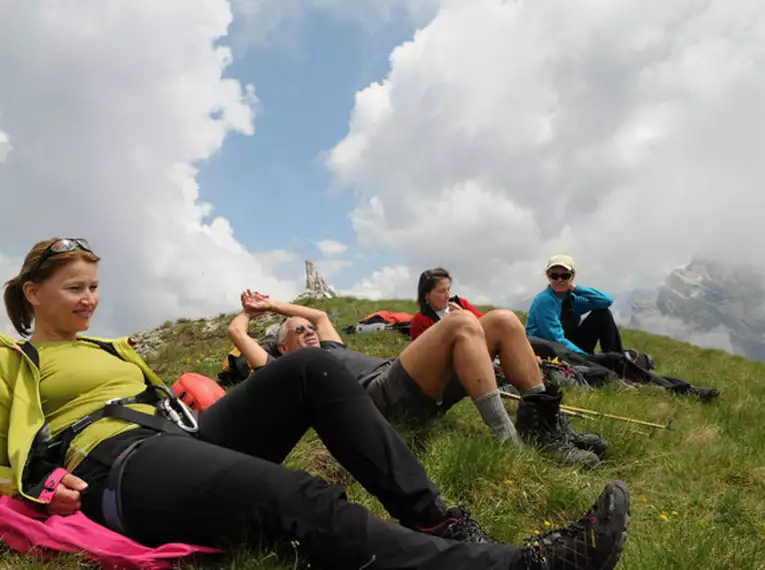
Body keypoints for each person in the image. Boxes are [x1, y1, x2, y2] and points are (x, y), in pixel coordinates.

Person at [0, 237, 632, 570]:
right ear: (31, 293)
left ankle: (436, 518)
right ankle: (511, 568)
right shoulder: (12, 357)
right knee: (298, 495)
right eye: (74, 289)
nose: (89, 299)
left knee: (313, 364)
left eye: (94, 287)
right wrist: (39, 486)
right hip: (119, 462)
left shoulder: (112, 347)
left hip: (180, 437)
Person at [229, 284, 607, 467]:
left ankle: (546, 430)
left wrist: (272, 305)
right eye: (297, 331)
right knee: (461, 323)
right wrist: (249, 313)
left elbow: (321, 316)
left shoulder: (329, 346)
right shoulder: (282, 370)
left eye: (306, 328)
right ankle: (510, 445)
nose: (308, 331)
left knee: (505, 321)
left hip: (401, 378)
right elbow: (236, 334)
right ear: (282, 348)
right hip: (375, 399)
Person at [408, 267, 609, 460]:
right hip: (450, 371)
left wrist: (464, 316)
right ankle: (515, 437)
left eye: (448, 289)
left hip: (481, 360)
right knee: (504, 323)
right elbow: (428, 357)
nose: (447, 295)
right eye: (441, 291)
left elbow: (484, 325)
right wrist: (455, 324)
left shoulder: (459, 304)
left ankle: (547, 425)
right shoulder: (421, 320)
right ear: (426, 295)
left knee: (506, 323)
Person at [526, 255, 623, 355]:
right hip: (548, 349)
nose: (559, 280)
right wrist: (586, 357)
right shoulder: (544, 300)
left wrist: (576, 288)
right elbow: (555, 339)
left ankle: (617, 359)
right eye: (554, 276)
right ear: (548, 276)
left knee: (603, 314)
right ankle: (609, 361)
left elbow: (606, 301)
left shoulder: (573, 300)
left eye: (565, 276)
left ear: (572, 276)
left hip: (569, 346)